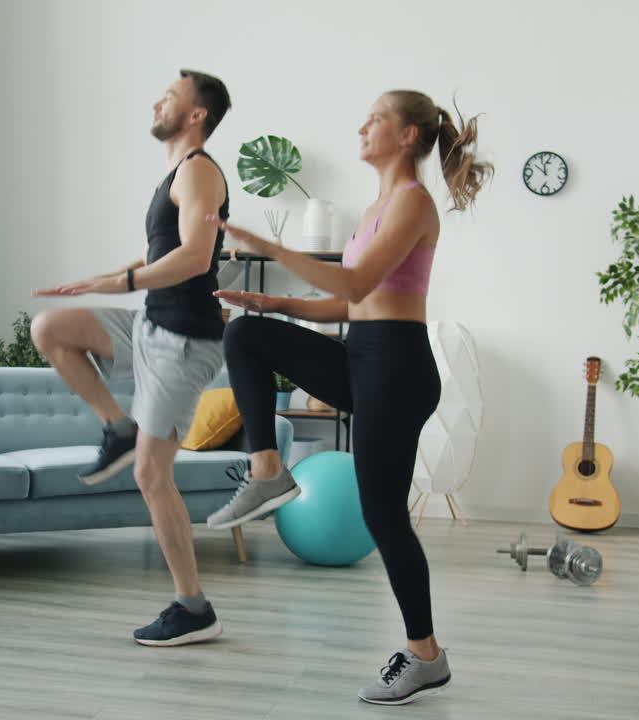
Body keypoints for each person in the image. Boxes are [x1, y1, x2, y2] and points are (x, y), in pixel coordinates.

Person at [205, 90, 492, 704]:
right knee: (247, 334)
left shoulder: (412, 204)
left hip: (397, 367)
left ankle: (426, 656)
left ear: (409, 135)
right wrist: (274, 302)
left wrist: (272, 250)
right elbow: (352, 303)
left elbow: (358, 281)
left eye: (376, 119)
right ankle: (267, 471)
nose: (362, 127)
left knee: (383, 517)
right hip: (363, 356)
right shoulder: (376, 207)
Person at [31, 69, 232, 647]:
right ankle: (117, 427)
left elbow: (195, 258)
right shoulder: (174, 175)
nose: (157, 101)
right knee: (51, 329)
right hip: (150, 323)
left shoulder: (200, 172)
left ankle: (193, 607)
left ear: (196, 115)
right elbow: (162, 257)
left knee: (151, 474)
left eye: (170, 96)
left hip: (185, 340)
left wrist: (117, 280)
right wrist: (107, 281)